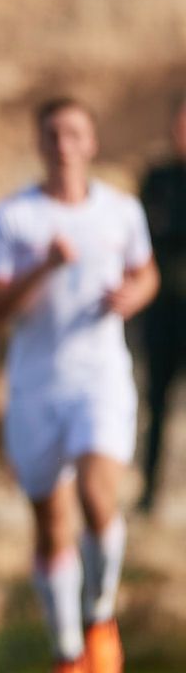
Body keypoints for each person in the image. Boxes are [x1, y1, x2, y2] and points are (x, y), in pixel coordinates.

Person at [0, 98, 158, 673]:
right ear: (40, 144)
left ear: (92, 142)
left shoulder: (121, 211)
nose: (64, 144)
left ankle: (101, 614)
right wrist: (43, 269)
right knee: (51, 524)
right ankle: (66, 652)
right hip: (35, 384)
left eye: (75, 132)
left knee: (97, 494)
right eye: (52, 133)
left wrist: (133, 295)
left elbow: (146, 273)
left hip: (101, 376)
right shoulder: (14, 218)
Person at [138, 95, 186, 515]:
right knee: (156, 405)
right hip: (162, 312)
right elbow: (145, 237)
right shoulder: (158, 178)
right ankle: (149, 494)